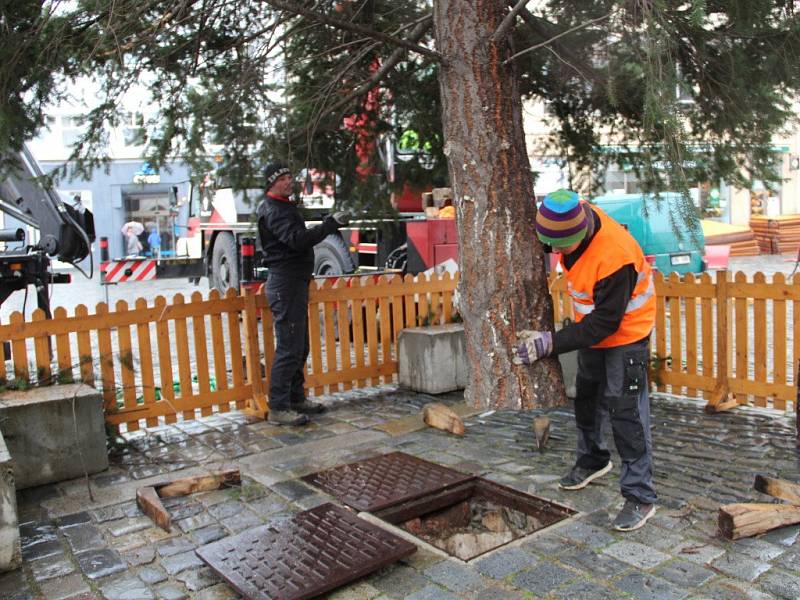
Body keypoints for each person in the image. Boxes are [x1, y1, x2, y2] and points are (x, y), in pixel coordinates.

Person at [514, 188, 658, 532]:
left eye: (562, 247)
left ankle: (640, 495)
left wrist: (550, 343)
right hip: (591, 328)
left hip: (626, 336)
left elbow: (606, 323)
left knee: (626, 412)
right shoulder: (565, 215)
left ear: (580, 235)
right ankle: (593, 458)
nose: (556, 252)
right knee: (587, 395)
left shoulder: (615, 256)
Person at [257, 163, 350, 426]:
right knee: (289, 347)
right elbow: (297, 240)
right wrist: (329, 225)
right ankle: (278, 407)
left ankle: (296, 398)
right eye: (284, 178)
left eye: (290, 177)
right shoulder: (274, 210)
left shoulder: (283, 206)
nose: (290, 182)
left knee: (300, 345)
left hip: (294, 282)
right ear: (272, 183)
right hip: (285, 283)